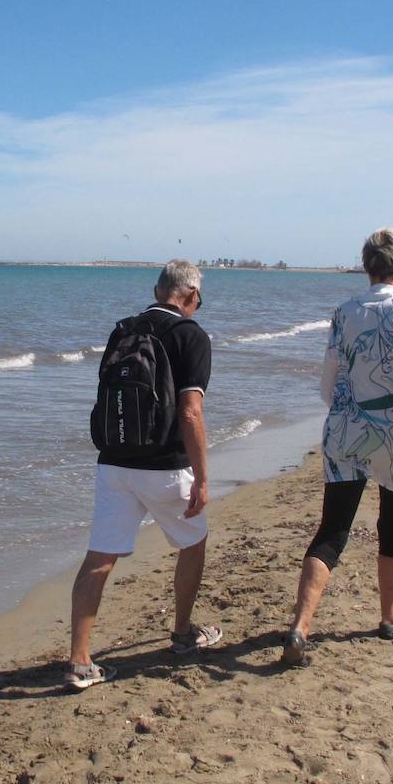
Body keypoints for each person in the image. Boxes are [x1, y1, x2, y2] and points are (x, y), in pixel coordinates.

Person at [65, 260, 222, 690]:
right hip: (165, 467)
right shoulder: (191, 335)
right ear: (190, 296)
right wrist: (204, 478)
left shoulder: (123, 330)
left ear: (157, 291)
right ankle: (183, 633)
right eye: (198, 300)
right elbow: (190, 413)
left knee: (100, 557)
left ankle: (80, 660)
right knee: (193, 543)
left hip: (114, 460)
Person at [282, 228, 393, 668]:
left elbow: (328, 385)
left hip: (343, 426)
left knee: (333, 530)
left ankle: (300, 626)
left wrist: (348, 412)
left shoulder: (343, 312)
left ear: (367, 267)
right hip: (391, 431)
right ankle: (388, 619)